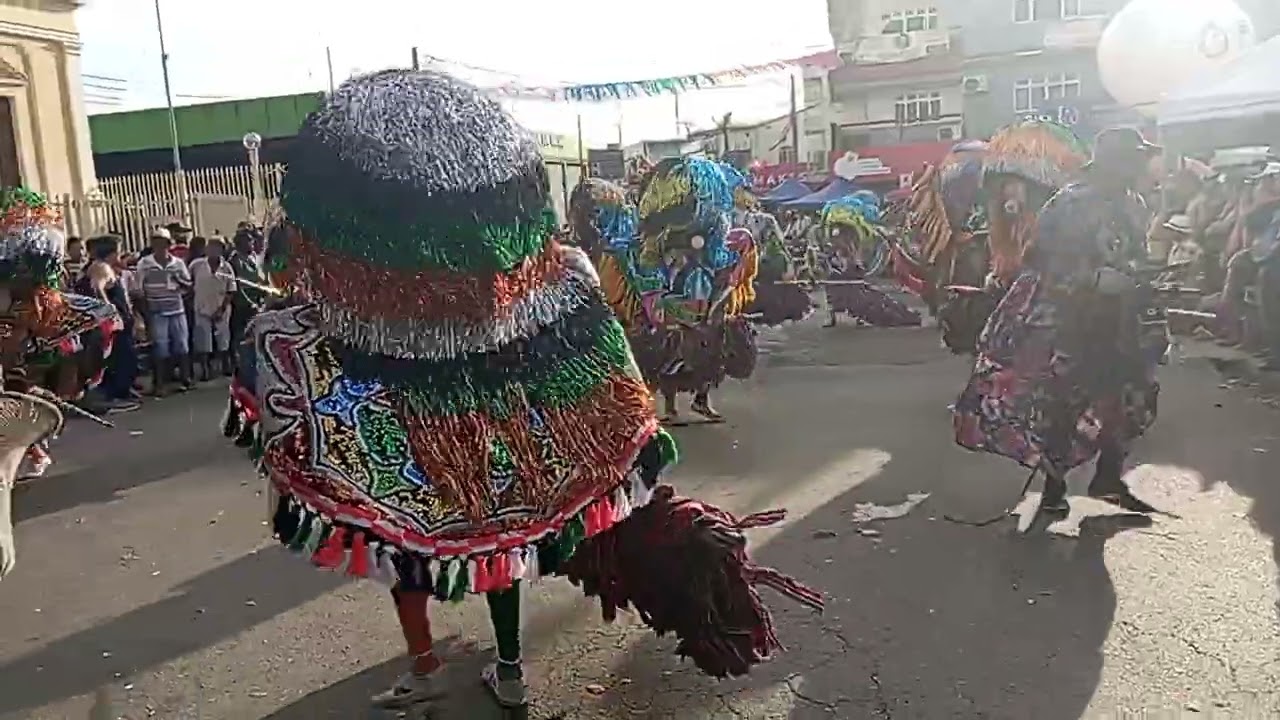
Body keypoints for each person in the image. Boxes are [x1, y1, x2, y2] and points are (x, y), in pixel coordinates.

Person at [221, 70, 819, 713]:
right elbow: (608, 367)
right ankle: (507, 670)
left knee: (404, 553)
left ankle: (427, 665)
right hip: (506, 450)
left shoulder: (332, 321)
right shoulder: (559, 282)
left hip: (420, 453)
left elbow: (291, 364)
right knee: (501, 555)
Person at [953, 127, 1164, 524]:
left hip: (1124, 318)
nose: (1139, 166)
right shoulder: (1071, 202)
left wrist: (1141, 278)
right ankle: (1054, 488)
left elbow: (1135, 252)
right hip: (1074, 317)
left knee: (1131, 397)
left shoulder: (1133, 202)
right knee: (1064, 402)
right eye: (1132, 159)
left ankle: (1108, 479)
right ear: (1112, 163)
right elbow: (1039, 257)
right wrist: (1091, 279)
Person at [75, 235, 141, 411]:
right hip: (110, 326)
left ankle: (119, 393)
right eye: (118, 252)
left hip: (112, 324)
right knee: (118, 361)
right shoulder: (101, 267)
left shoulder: (100, 267)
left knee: (121, 359)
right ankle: (110, 398)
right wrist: (109, 313)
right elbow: (97, 287)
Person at [135, 227, 193, 395]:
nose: (160, 246)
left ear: (169, 244)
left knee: (182, 345)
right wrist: (146, 313)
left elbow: (189, 286)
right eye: (156, 243)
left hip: (176, 309)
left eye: (163, 243)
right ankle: (160, 384)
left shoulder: (178, 264)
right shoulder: (145, 264)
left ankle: (185, 379)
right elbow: (138, 290)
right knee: (160, 348)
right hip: (156, 312)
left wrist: (179, 281)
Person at [188, 236, 236, 380]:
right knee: (203, 340)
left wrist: (222, 309)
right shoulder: (196, 265)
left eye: (217, 247)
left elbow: (231, 290)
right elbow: (188, 283)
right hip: (201, 307)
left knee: (223, 338)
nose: (214, 250)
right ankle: (205, 369)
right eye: (211, 246)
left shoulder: (226, 267)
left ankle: (224, 366)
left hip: (221, 307)